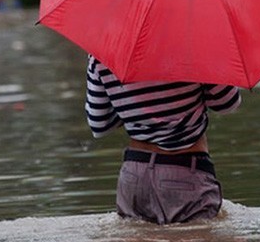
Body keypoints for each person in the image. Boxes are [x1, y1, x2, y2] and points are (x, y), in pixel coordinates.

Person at [85, 55, 241, 224]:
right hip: (185, 170)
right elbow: (228, 103)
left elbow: (99, 123)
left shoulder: (103, 54)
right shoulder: (196, 46)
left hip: (134, 175)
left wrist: (132, 107)